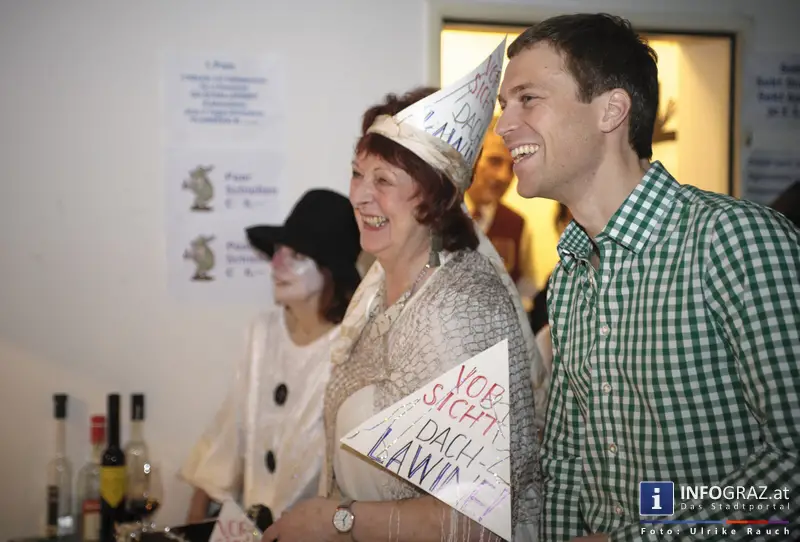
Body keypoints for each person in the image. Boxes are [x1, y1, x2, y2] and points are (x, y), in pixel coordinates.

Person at [497, 13, 799, 542]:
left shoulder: (733, 242)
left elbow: (792, 470)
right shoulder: (570, 275)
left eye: (528, 99)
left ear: (611, 110)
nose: (503, 126)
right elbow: (569, 462)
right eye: (505, 106)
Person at [262, 53, 544, 542]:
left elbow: (484, 517)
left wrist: (334, 520)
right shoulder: (374, 288)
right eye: (358, 173)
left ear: (432, 201)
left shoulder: (460, 311)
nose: (360, 195)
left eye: (384, 181)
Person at [180, 189, 362, 529]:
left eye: (295, 254)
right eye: (278, 251)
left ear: (328, 270)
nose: (276, 264)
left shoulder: (349, 348)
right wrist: (195, 515)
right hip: (248, 530)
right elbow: (231, 424)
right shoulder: (263, 332)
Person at [466, 117, 538, 310]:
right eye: (495, 161)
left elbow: (525, 288)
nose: (504, 176)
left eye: (512, 166)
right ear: (471, 157)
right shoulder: (439, 214)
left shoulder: (517, 224)